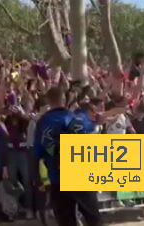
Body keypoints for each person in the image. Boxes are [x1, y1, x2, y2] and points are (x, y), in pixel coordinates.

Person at [33, 87, 101, 226]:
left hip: (58, 178)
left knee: (66, 221)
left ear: (48, 101)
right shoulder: (77, 118)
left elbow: (37, 153)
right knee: (93, 219)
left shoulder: (42, 123)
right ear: (64, 99)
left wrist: (38, 178)